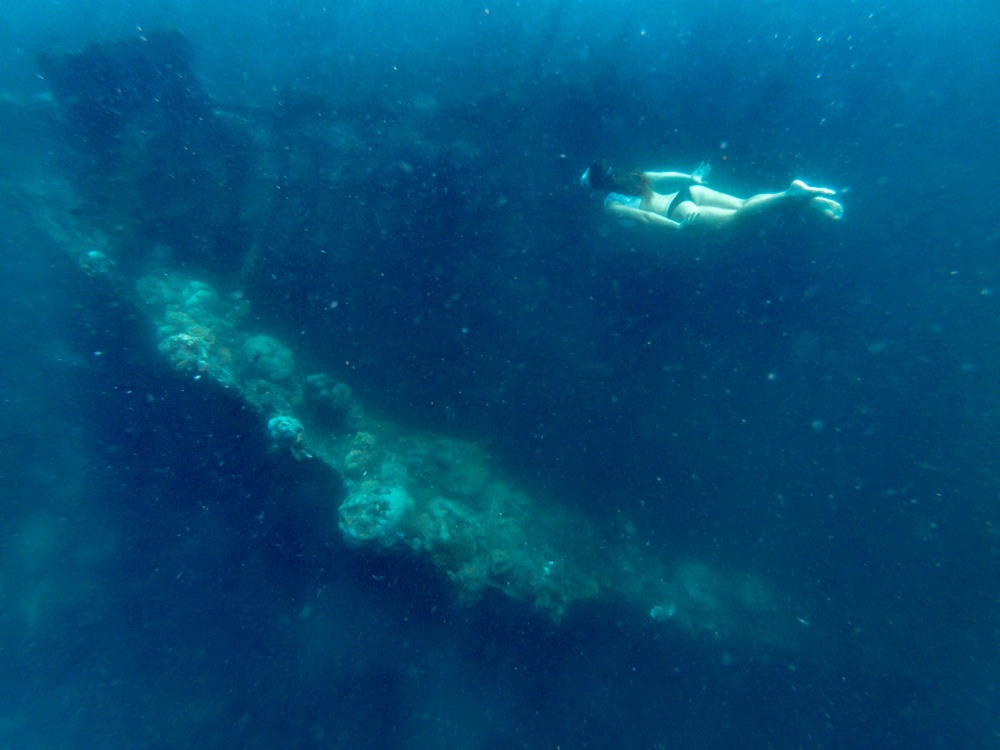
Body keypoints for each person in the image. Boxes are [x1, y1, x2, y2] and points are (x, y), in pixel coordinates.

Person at [580, 160, 843, 230]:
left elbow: (645, 219)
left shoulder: (611, 205)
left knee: (739, 217)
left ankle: (790, 195)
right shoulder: (632, 174)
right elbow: (664, 174)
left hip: (677, 212)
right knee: (743, 203)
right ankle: (806, 200)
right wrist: (692, 179)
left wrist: (677, 228)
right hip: (689, 192)